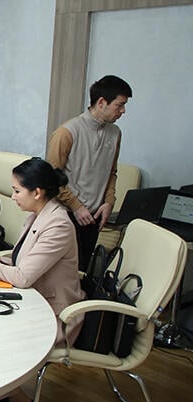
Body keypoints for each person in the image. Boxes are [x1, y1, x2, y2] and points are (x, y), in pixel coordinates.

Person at [0, 158, 84, 402]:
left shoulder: (58, 224)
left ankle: (17, 400)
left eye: (16, 190)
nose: (12, 197)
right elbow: (20, 262)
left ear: (37, 192)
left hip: (52, 312)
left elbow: (25, 276)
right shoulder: (37, 216)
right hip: (30, 299)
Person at [48, 75, 132, 271]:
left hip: (93, 218)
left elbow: (111, 172)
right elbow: (51, 178)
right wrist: (76, 206)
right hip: (66, 216)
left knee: (81, 273)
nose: (123, 111)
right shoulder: (66, 132)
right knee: (60, 276)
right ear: (102, 102)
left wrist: (109, 202)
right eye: (119, 105)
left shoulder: (115, 133)